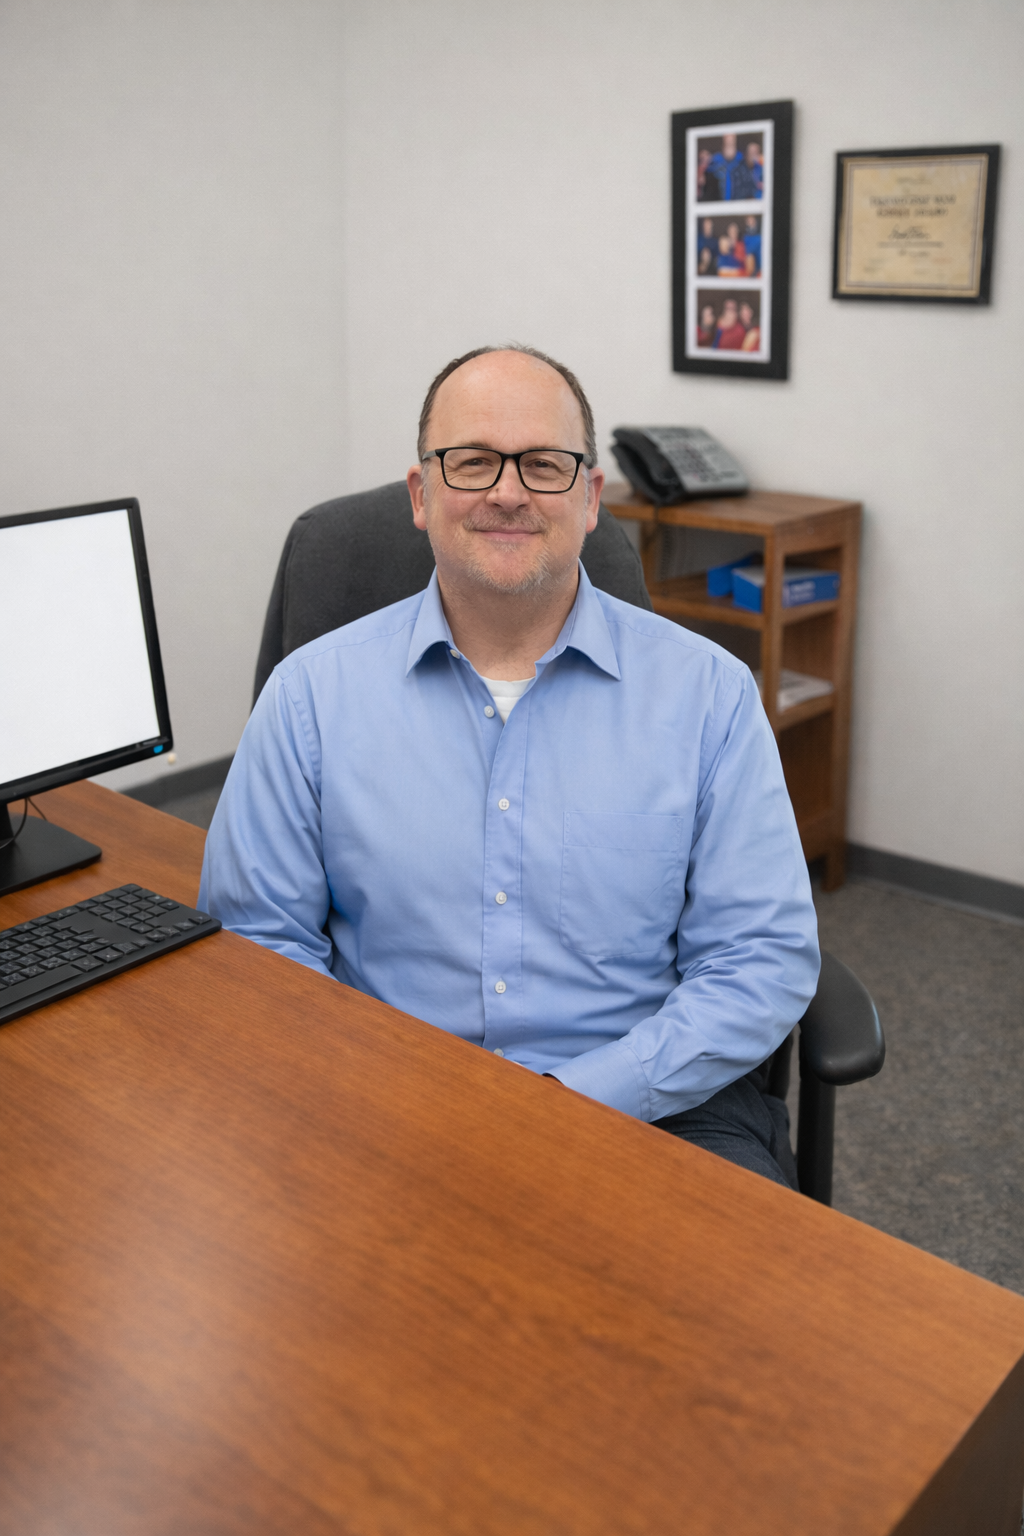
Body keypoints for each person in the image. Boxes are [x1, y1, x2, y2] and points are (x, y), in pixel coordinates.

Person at [200, 345, 818, 1188]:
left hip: (655, 1104)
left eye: (543, 464)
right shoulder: (308, 696)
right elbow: (260, 941)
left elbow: (760, 958)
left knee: (739, 1314)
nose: (507, 491)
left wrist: (582, 1094)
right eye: (473, 461)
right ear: (422, 494)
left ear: (591, 497)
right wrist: (387, 1088)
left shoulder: (708, 696)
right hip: (379, 1093)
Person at [706, 132, 743, 200]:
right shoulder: (715, 160)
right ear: (722, 145)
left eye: (731, 144)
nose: (729, 147)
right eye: (727, 144)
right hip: (718, 203)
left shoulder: (742, 160)